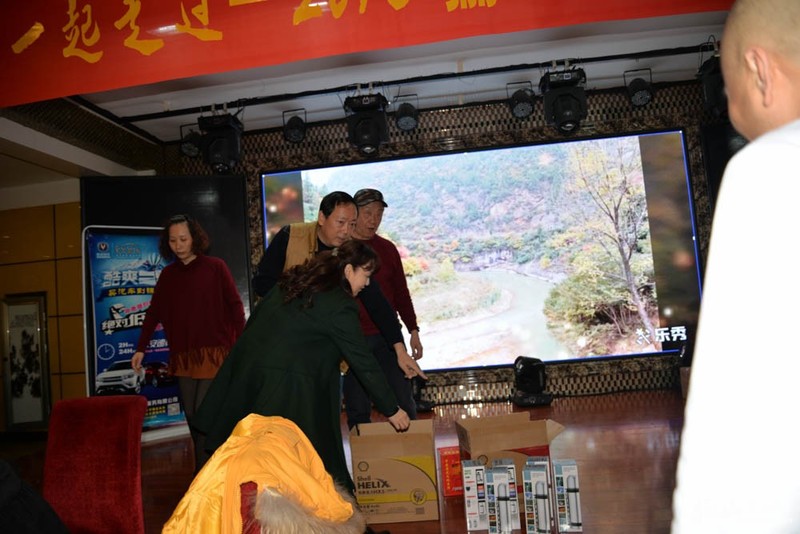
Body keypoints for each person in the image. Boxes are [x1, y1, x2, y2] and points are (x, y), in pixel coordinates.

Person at [671, 1, 800, 532]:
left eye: (728, 89)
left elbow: (737, 423)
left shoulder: (771, 168)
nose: (731, 109)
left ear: (760, 69)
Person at [193, 239, 426, 495]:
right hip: (285, 385)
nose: (367, 283)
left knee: (253, 452)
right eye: (366, 275)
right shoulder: (340, 304)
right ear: (349, 270)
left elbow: (257, 321)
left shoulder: (296, 282)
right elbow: (363, 360)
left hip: (250, 374)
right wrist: (392, 409)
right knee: (300, 455)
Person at [252, 190, 420, 374]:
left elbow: (377, 302)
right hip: (282, 342)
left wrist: (400, 349)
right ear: (322, 217)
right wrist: (303, 299)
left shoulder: (349, 252)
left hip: (324, 350)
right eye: (341, 222)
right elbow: (262, 283)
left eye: (352, 224)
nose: (346, 231)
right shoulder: (291, 236)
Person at [131, 214, 245, 472]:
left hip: (214, 352)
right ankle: (209, 465)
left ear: (194, 238)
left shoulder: (215, 267)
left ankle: (203, 471)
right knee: (192, 416)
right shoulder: (168, 275)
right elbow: (153, 312)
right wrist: (140, 348)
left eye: (183, 239)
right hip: (183, 355)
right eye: (173, 240)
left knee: (204, 412)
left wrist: (241, 344)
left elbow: (235, 307)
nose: (178, 245)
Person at [343, 188, 424, 429]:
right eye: (368, 213)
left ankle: (413, 450)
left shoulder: (388, 249)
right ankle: (363, 454)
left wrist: (413, 330)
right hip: (354, 339)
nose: (374, 219)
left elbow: (401, 293)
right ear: (355, 214)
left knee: (404, 400)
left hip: (388, 337)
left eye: (379, 214)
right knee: (358, 407)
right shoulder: (344, 250)